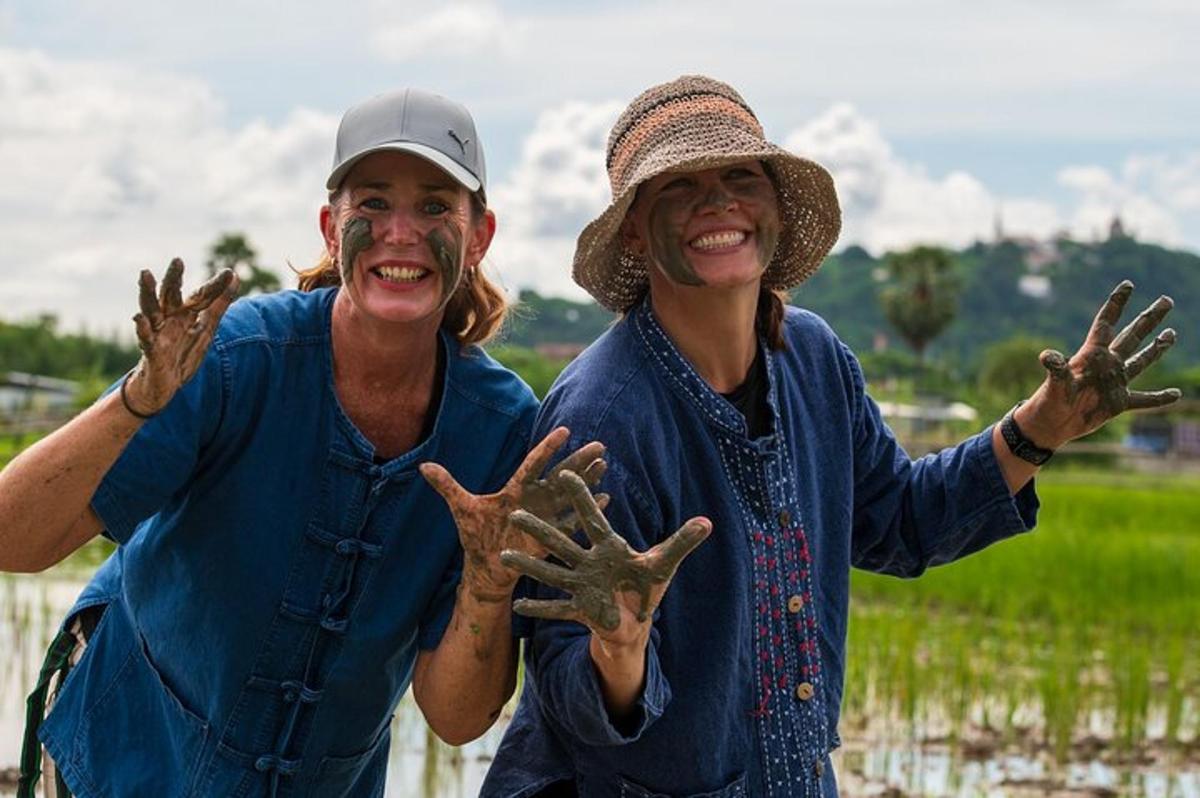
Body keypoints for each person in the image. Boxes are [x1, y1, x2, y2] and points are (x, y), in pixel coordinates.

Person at [481, 75, 1181, 798]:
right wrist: (619, 647)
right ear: (633, 228)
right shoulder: (602, 417)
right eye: (678, 186)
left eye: (739, 175)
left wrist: (1042, 427)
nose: (717, 200)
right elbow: (569, 686)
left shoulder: (811, 358)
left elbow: (898, 522)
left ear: (775, 205)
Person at [2, 87, 602, 798]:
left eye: (436, 206)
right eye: (372, 204)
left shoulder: (499, 432)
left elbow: (457, 718)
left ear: (479, 237)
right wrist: (136, 402)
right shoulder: (233, 358)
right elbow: (16, 542)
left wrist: (488, 582)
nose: (401, 232)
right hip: (126, 760)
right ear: (329, 227)